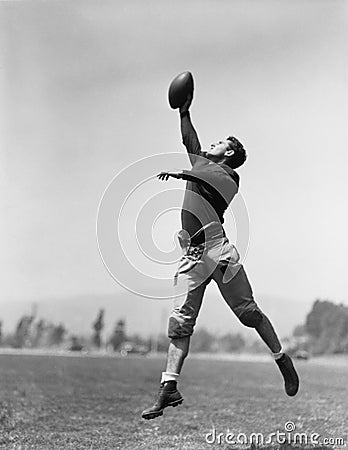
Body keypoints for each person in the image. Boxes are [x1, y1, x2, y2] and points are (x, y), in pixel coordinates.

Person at [142, 94, 299, 420]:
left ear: (229, 153)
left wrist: (183, 174)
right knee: (179, 325)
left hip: (219, 250)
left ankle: (282, 358)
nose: (211, 144)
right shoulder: (201, 163)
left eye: (219, 142)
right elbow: (190, 139)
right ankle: (168, 388)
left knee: (248, 313)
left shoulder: (229, 177)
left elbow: (209, 178)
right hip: (193, 257)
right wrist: (184, 111)